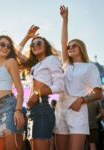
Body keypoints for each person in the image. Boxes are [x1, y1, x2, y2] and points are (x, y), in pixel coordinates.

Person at [55, 6, 103, 150]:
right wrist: (65, 20)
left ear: (81, 47)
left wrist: (82, 100)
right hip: (60, 109)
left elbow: (99, 93)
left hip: (77, 110)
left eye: (74, 45)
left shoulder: (90, 67)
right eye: (69, 47)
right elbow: (63, 43)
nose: (70, 48)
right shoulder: (66, 65)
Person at [16, 25, 64, 150]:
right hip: (32, 111)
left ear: (46, 46)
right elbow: (15, 53)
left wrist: (37, 93)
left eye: (38, 43)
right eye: (33, 45)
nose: (35, 45)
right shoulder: (34, 65)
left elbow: (60, 86)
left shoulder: (52, 59)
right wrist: (27, 37)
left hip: (42, 109)